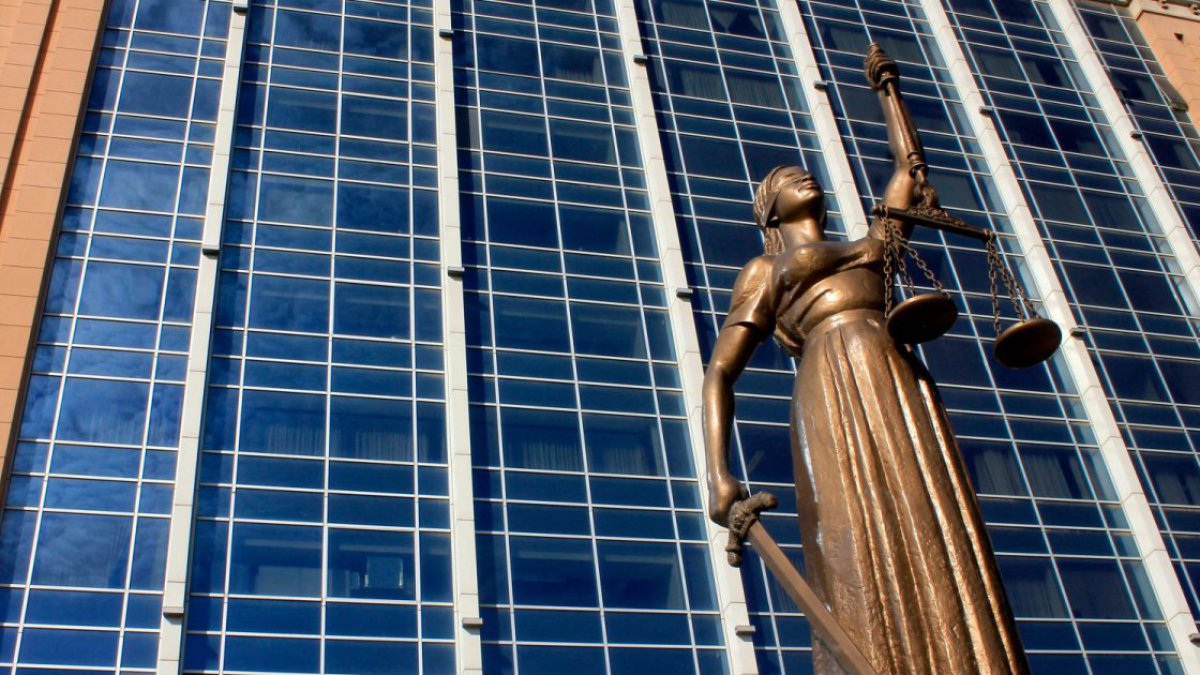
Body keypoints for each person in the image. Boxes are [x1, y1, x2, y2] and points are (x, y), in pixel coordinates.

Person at [702, 45, 1030, 674]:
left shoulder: (875, 239)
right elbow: (720, 370)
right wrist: (719, 473)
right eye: (787, 179)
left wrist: (888, 92)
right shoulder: (766, 268)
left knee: (931, 511)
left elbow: (909, 171)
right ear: (770, 210)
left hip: (895, 374)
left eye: (807, 173)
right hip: (832, 382)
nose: (804, 178)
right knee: (854, 529)